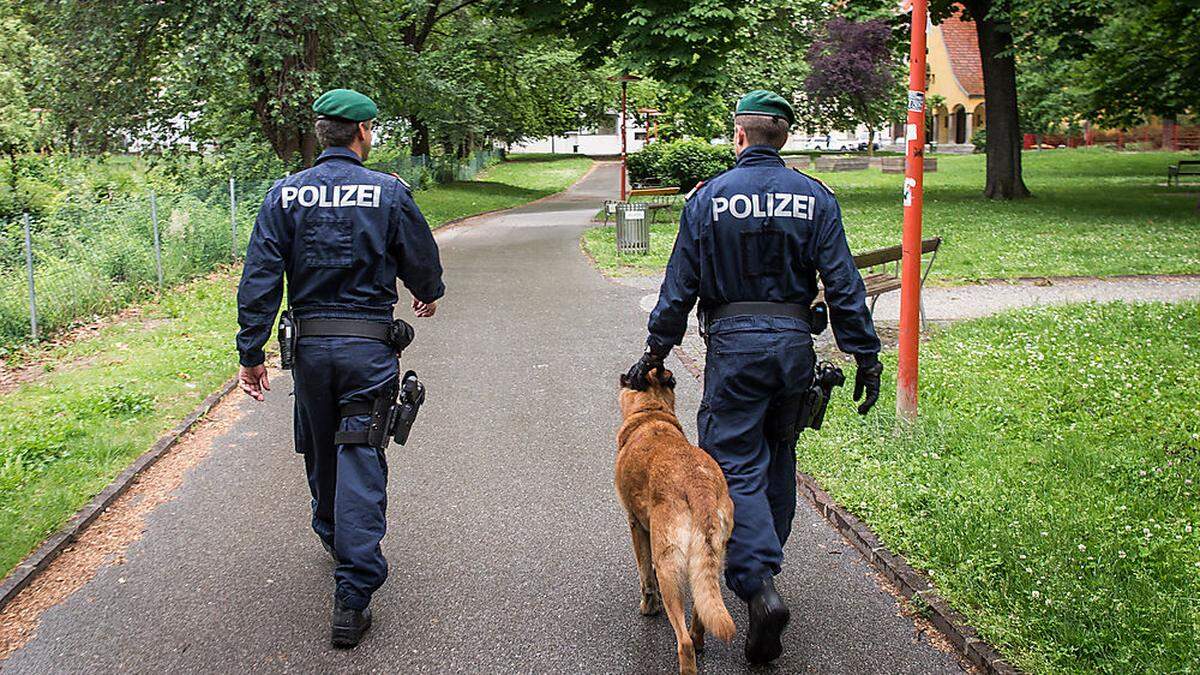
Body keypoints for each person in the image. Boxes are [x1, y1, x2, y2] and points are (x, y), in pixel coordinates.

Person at [624, 90, 883, 665]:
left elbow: (678, 286)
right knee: (779, 453)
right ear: (783, 138)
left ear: (739, 135)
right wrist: (866, 355)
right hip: (793, 348)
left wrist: (655, 350)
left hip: (735, 351)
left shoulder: (708, 199)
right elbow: (843, 285)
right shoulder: (816, 198)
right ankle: (763, 557)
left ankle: (758, 583)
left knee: (733, 461)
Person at [235, 88, 445, 648]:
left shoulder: (284, 195)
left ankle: (332, 531)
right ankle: (352, 594)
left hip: (309, 351)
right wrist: (426, 293)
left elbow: (260, 277)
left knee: (321, 444)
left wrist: (250, 353)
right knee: (360, 450)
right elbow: (421, 259)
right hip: (367, 350)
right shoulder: (389, 193)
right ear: (362, 132)